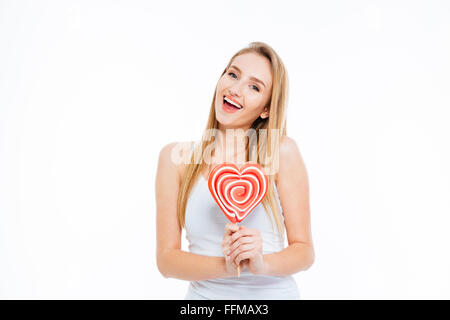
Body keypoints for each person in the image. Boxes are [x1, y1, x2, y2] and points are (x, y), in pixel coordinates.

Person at [155, 42, 314, 299]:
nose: (235, 89)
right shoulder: (176, 159)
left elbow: (304, 251)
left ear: (265, 108)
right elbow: (166, 260)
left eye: (254, 87)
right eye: (233, 74)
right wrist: (227, 266)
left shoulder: (282, 152)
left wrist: (261, 263)